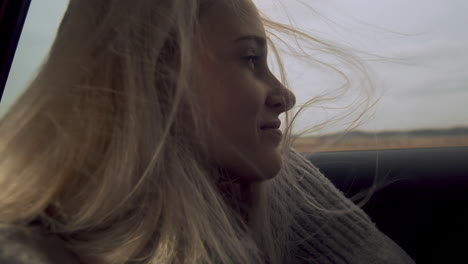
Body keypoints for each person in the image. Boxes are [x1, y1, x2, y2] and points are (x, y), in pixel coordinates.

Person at [0, 0, 415, 263]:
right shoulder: (26, 251)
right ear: (152, 80)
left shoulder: (256, 190)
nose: (286, 96)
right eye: (250, 58)